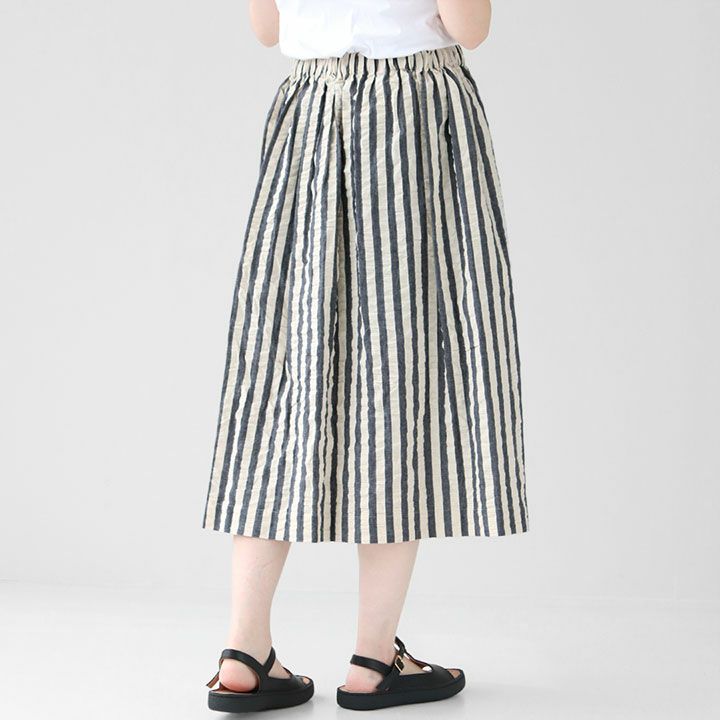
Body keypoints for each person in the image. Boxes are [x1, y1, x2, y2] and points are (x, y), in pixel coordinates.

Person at [202, 0, 529, 712]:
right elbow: (469, 27)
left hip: (308, 112)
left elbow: (267, 30)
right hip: (411, 115)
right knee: (399, 373)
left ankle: (244, 649)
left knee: (283, 376)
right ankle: (373, 661)